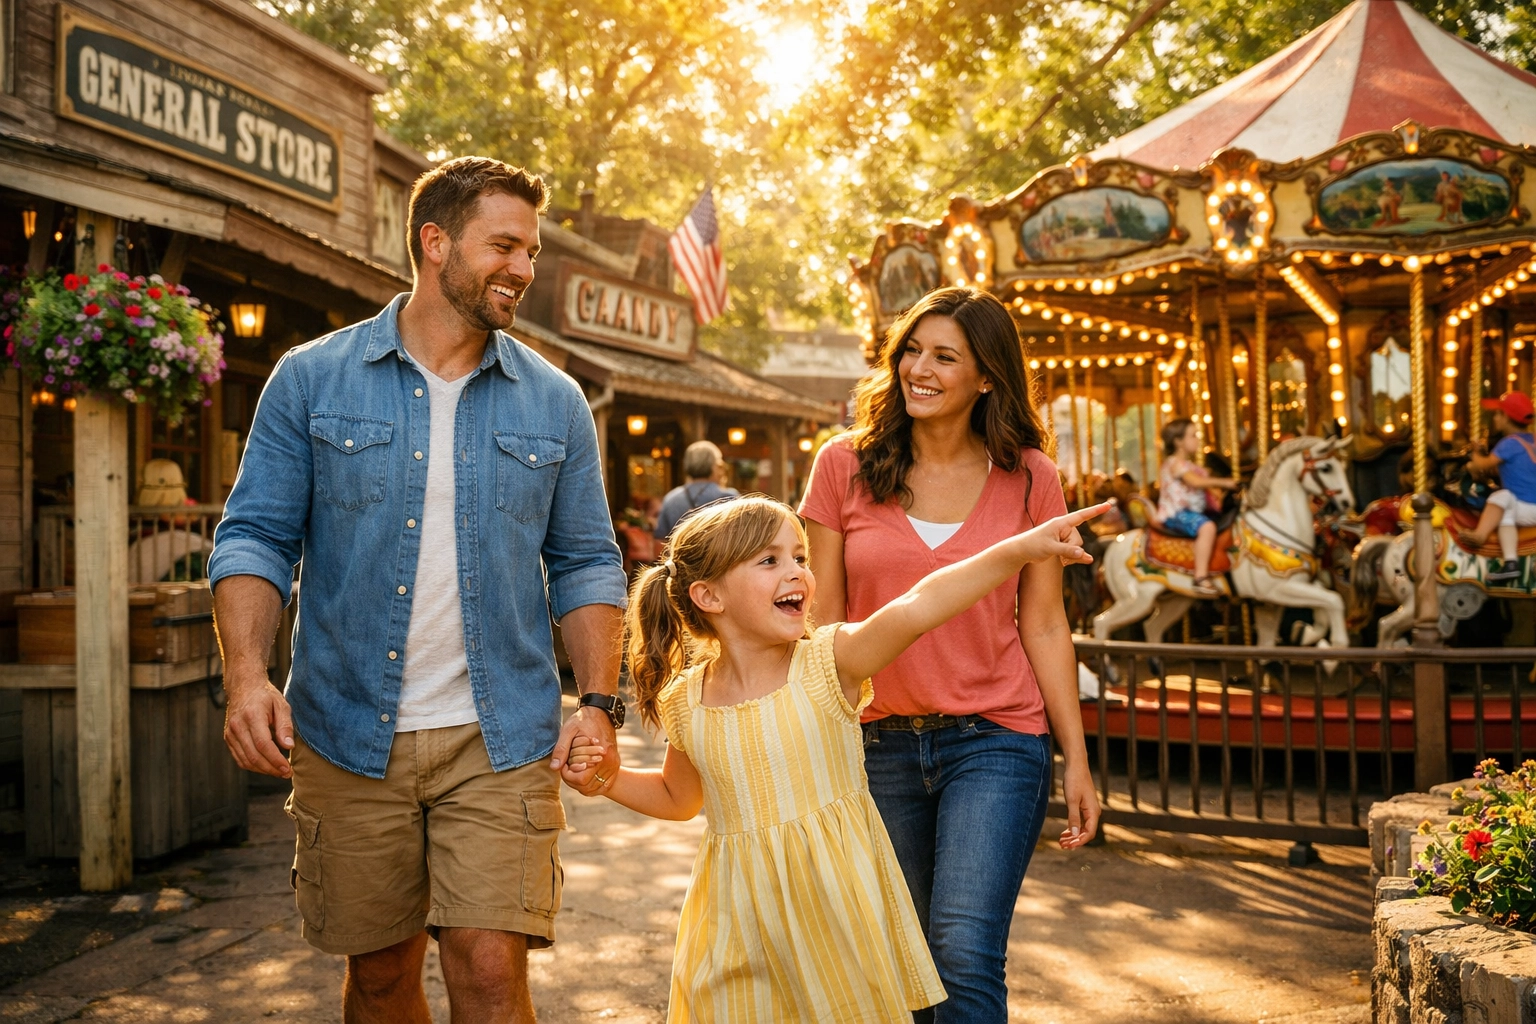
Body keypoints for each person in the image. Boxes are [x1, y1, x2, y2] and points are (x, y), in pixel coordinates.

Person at [209, 156, 630, 1023]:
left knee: (487, 971)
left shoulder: (553, 402)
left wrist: (598, 702)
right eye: (505, 245)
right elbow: (254, 535)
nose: (524, 268)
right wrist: (247, 677)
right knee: (383, 978)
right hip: (347, 727)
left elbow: (587, 560)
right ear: (435, 242)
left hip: (500, 735)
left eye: (533, 251)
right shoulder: (310, 379)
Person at [561, 495, 1108, 1022]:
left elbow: (920, 605)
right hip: (737, 922)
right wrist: (607, 780)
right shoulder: (687, 700)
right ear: (709, 596)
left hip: (839, 918)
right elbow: (679, 798)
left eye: (799, 556)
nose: (797, 570)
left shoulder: (829, 662)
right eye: (769, 560)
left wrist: (1017, 550)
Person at [798, 286, 1100, 1023]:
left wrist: (1078, 758)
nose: (918, 369)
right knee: (904, 966)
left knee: (963, 952)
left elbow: (1045, 626)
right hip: (876, 743)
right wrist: (813, 741)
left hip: (995, 739)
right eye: (911, 350)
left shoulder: (1031, 475)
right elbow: (824, 617)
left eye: (944, 356)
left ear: (987, 375)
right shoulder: (844, 465)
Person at [1155, 418, 1241, 597]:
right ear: (1178, 442)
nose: (1197, 440)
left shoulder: (1190, 466)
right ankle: (1200, 577)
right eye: (1193, 436)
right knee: (1207, 527)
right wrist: (1225, 482)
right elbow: (1195, 482)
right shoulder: (1174, 463)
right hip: (1176, 513)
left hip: (1193, 511)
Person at [1459, 391, 1536, 581]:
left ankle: (1479, 535)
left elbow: (1482, 465)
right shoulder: (1531, 440)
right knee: (1505, 512)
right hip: (1530, 507)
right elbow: (1504, 469)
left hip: (1526, 507)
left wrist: (1475, 453)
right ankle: (1511, 564)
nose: (1494, 418)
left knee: (1501, 497)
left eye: (1497, 414)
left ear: (1506, 418)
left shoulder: (1509, 443)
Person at [653, 440, 739, 541]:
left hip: (680, 556)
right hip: (721, 556)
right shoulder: (729, 497)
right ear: (714, 466)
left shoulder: (671, 498)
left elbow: (660, 539)